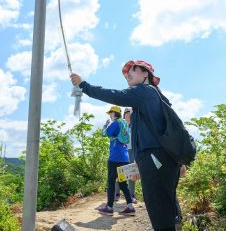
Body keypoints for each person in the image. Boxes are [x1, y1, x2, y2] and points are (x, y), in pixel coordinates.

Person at [71, 60, 180, 231]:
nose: (128, 73)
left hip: (154, 159)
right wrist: (139, 163)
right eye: (126, 72)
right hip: (161, 159)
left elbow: (115, 94)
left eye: (133, 69)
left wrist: (84, 85)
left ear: (146, 74)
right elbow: (154, 134)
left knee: (158, 206)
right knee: (166, 205)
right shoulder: (154, 97)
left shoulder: (144, 92)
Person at [98, 105, 135, 216]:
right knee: (123, 184)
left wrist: (106, 125)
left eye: (110, 113)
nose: (109, 115)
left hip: (115, 157)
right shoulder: (125, 124)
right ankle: (130, 207)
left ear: (114, 113)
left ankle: (109, 207)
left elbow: (104, 133)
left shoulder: (115, 123)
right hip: (124, 157)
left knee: (110, 182)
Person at [114, 107, 138, 204]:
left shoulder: (136, 126)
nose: (128, 116)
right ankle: (117, 193)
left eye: (130, 114)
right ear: (124, 115)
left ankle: (131, 195)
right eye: (126, 114)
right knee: (119, 172)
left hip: (133, 151)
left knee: (132, 172)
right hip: (122, 151)